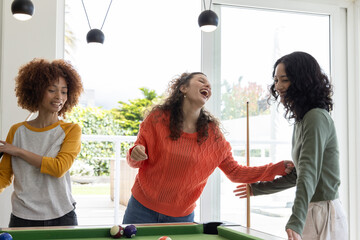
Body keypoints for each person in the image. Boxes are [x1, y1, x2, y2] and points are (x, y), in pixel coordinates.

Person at [122, 72, 294, 224]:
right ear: (183, 88)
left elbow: (235, 172)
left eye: (209, 85)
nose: (207, 86)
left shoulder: (213, 135)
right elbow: (135, 160)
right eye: (201, 81)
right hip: (141, 209)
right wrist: (134, 154)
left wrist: (275, 168)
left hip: (181, 217)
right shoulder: (158, 118)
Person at [234, 51, 348, 240]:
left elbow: (308, 172)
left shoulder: (316, 117)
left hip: (324, 212)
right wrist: (257, 189)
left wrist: (296, 219)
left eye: (284, 80)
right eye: (276, 80)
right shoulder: (302, 120)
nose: (278, 86)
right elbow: (299, 174)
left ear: (302, 81)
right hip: (313, 209)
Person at [0, 58, 83, 227]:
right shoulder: (16, 131)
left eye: (64, 91)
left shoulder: (71, 130)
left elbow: (58, 168)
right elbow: (4, 177)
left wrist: (19, 151)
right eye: (52, 90)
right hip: (22, 217)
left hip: (62, 216)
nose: (59, 97)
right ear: (36, 91)